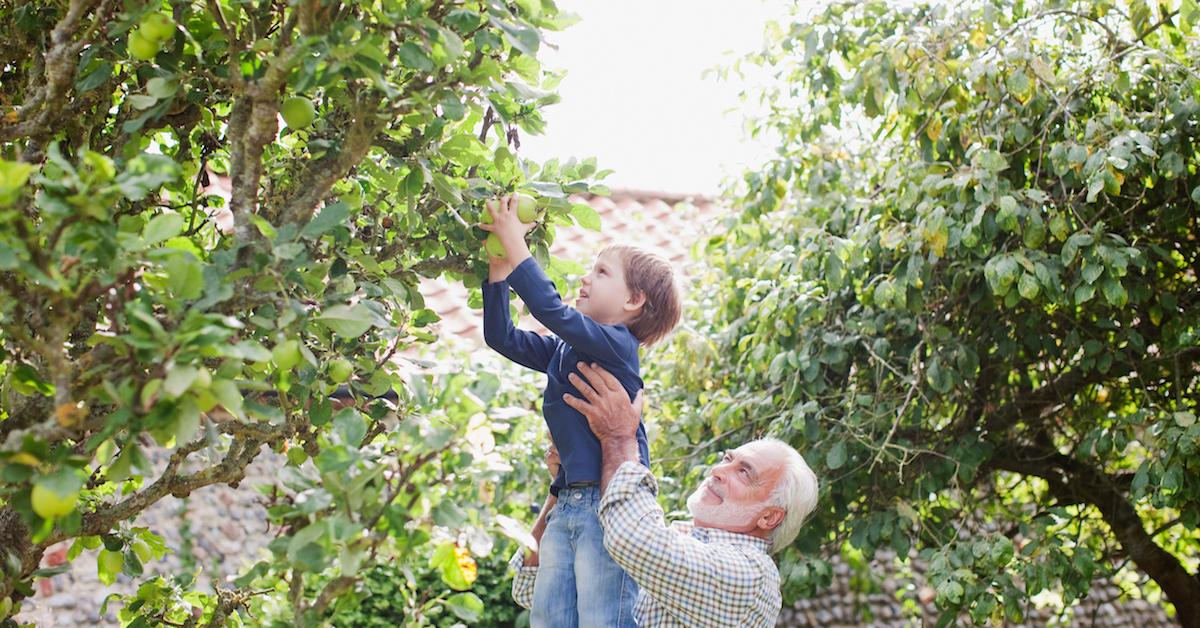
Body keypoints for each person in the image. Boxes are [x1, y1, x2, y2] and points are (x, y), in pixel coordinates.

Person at [479, 195, 682, 627]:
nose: (586, 278)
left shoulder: (617, 345)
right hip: (568, 501)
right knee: (550, 618)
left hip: (607, 505)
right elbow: (502, 337)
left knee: (605, 618)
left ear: (634, 302)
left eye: (602, 272)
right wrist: (498, 272)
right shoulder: (566, 350)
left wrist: (516, 245)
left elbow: (552, 311)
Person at [511, 363, 820, 627]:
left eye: (744, 472)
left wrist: (619, 436)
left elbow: (633, 538)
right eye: (727, 459)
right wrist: (563, 487)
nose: (718, 471)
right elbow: (530, 587)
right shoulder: (674, 541)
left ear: (769, 516)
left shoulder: (750, 576)